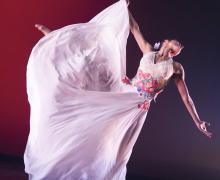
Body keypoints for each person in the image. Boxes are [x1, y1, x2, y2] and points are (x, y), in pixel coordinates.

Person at [24, 0, 212, 179]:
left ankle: (100, 173)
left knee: (114, 145)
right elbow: (134, 28)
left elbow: (186, 98)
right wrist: (124, 6)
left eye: (178, 50)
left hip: (137, 105)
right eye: (174, 45)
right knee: (94, 66)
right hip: (125, 90)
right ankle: (56, 41)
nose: (176, 50)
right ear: (165, 42)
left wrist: (197, 122)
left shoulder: (176, 69)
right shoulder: (148, 51)